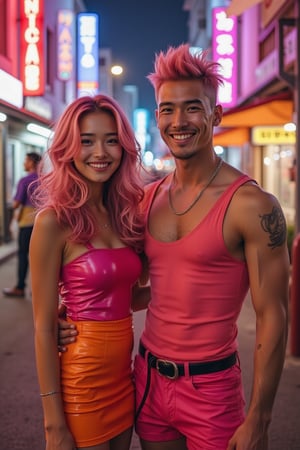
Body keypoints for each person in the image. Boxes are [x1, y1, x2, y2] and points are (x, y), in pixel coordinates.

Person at [59, 44, 290, 450]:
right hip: (147, 380)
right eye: (167, 109)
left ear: (215, 114)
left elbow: (273, 313)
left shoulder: (251, 205)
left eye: (192, 108)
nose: (178, 121)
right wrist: (75, 312)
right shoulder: (148, 199)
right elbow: (141, 291)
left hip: (212, 387)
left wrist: (260, 416)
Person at [29, 94, 150, 450]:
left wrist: (183, 282)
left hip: (124, 379)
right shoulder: (53, 221)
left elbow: (127, 297)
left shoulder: (126, 214)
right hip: (81, 383)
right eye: (87, 141)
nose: (101, 152)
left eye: (111, 140)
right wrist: (53, 423)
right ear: (68, 148)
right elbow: (43, 327)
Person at [3, 151, 41, 298]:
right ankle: (39, 289)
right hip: (43, 224)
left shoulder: (25, 181)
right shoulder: (46, 180)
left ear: (31, 162)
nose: (24, 163)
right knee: (41, 257)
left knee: (23, 254)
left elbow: (17, 202)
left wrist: (10, 219)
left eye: (26, 160)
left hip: (27, 223)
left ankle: (20, 287)